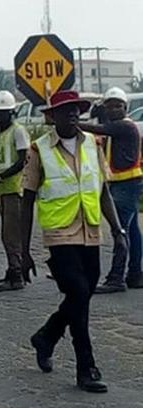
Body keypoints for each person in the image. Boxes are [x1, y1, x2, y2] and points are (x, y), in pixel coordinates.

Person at [21, 91, 125, 393]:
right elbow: (27, 201)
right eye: (65, 111)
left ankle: (47, 336)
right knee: (78, 292)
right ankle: (86, 368)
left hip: (90, 232)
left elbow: (103, 191)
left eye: (76, 110)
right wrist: (24, 251)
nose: (72, 115)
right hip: (60, 234)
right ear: (52, 116)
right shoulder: (39, 150)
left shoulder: (93, 145)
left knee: (82, 295)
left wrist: (117, 230)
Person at [80, 87, 143, 294]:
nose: (114, 109)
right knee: (132, 231)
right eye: (110, 106)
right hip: (125, 184)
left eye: (118, 106)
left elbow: (101, 130)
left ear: (125, 108)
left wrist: (74, 123)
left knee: (120, 230)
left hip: (126, 184)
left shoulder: (124, 127)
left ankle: (116, 278)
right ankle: (135, 274)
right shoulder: (119, 127)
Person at [0, 91, 31, 292]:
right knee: (7, 235)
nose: (2, 116)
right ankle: (13, 270)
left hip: (15, 189)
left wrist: (0, 177)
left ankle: (16, 274)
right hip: (3, 190)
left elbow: (22, 161)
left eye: (6, 112)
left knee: (12, 235)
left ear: (12, 112)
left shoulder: (18, 131)